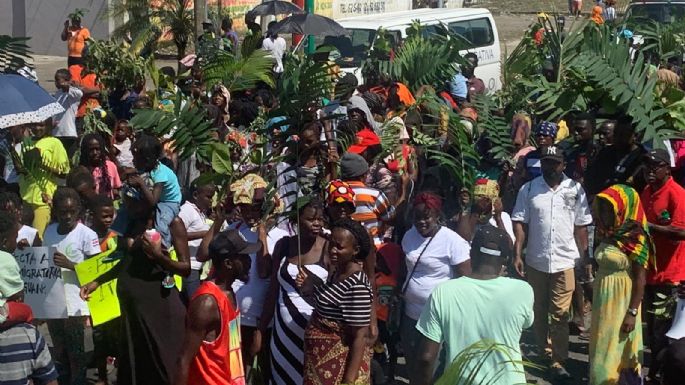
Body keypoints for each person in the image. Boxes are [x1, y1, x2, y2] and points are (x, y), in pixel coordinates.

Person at [80, 178, 191, 384]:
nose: (127, 208)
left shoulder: (172, 223)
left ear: (147, 200)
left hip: (159, 305)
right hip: (134, 308)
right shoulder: (130, 224)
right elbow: (125, 262)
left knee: (164, 361)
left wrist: (159, 257)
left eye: (132, 203)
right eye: (125, 203)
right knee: (138, 363)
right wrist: (98, 281)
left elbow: (185, 268)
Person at [412, 225, 533, 385]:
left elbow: (426, 358)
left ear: (471, 253)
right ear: (506, 259)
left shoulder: (443, 292)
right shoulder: (523, 290)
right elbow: (525, 323)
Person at [511, 145, 592, 379]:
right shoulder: (529, 190)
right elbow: (520, 223)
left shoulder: (575, 190)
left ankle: (558, 359)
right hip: (536, 259)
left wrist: (584, 256)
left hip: (565, 260)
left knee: (559, 313)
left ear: (563, 165)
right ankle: (542, 351)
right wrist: (518, 253)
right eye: (546, 162)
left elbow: (581, 226)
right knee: (538, 309)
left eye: (554, 163)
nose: (550, 167)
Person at [258, 199, 329, 385]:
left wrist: (314, 285)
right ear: (296, 221)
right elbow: (273, 289)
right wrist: (261, 328)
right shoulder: (284, 246)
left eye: (320, 219)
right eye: (311, 219)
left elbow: (338, 291)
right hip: (283, 335)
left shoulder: (329, 248)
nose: (317, 224)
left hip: (316, 334)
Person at [400, 192, 472, 375]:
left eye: (427, 218)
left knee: (429, 364)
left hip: (437, 316)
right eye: (417, 218)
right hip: (411, 311)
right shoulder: (409, 236)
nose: (421, 222)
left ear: (438, 216)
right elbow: (405, 268)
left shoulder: (452, 241)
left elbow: (465, 279)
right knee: (411, 360)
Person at [174, 229, 255, 385]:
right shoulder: (207, 303)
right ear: (228, 263)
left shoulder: (229, 292)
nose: (249, 261)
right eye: (243, 257)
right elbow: (183, 360)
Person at [300, 218, 374, 385]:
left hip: (339, 368)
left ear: (355, 250)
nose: (332, 250)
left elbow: (359, 336)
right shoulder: (337, 273)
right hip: (321, 364)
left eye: (339, 247)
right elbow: (329, 308)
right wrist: (311, 287)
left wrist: (348, 380)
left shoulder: (357, 285)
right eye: (331, 244)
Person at [589, 184, 651, 384]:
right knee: (600, 347)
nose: (606, 212)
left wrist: (632, 313)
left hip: (623, 302)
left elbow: (641, 279)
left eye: (610, 207)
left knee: (617, 350)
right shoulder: (607, 232)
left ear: (624, 207)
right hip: (603, 301)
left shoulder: (634, 236)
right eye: (604, 207)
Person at [43, 187, 101, 385]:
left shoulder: (87, 234)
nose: (67, 216)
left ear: (79, 210)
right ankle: (64, 377)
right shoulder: (49, 231)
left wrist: (71, 265)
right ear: (55, 211)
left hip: (76, 300)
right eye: (62, 211)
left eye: (72, 211)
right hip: (53, 299)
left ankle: (78, 380)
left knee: (75, 347)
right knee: (59, 346)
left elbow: (96, 270)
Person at [640, 148, 685, 381]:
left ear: (667, 168)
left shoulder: (677, 193)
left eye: (655, 165)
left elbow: (681, 231)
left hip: (671, 275)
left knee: (665, 332)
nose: (649, 170)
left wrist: (649, 228)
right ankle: (656, 373)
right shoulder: (648, 191)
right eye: (646, 165)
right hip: (650, 272)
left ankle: (659, 375)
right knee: (652, 331)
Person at [0, 220, 59, 385]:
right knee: (26, 312)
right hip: (9, 320)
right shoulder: (6, 259)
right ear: (5, 242)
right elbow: (17, 292)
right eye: (14, 237)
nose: (17, 240)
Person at [112, 134, 182, 249]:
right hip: (158, 198)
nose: (133, 161)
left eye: (136, 159)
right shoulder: (147, 167)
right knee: (124, 210)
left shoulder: (160, 174)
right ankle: (118, 232)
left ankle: (164, 246)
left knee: (161, 221)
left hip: (169, 202)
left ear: (147, 160)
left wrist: (141, 183)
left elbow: (153, 201)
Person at [17, 120, 70, 237]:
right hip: (25, 198)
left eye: (41, 125)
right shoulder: (26, 142)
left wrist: (42, 165)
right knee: (23, 239)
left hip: (43, 199)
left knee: (38, 239)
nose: (37, 128)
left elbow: (64, 173)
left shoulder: (54, 143)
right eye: (34, 124)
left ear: (48, 126)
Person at [340, 153, 397, 245]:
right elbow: (389, 217)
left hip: (345, 245)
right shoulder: (374, 195)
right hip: (373, 246)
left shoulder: (336, 193)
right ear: (364, 175)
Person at [585, 115, 647, 196]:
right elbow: (592, 181)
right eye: (616, 133)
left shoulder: (642, 158)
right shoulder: (606, 153)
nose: (618, 137)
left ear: (635, 136)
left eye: (623, 134)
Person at [178, 180, 216, 298]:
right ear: (195, 195)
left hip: (197, 267)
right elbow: (176, 235)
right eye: (208, 197)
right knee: (193, 303)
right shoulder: (186, 211)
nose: (211, 201)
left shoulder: (200, 213)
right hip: (190, 266)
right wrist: (203, 234)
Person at [80, 132, 122, 200]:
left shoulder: (110, 166)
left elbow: (116, 188)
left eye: (97, 149)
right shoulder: (81, 170)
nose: (95, 153)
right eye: (91, 150)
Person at [53, 68, 83, 158]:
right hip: (57, 133)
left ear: (66, 80)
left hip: (68, 133)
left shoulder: (73, 93)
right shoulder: (57, 93)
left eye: (58, 80)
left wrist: (67, 85)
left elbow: (80, 93)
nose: (56, 83)